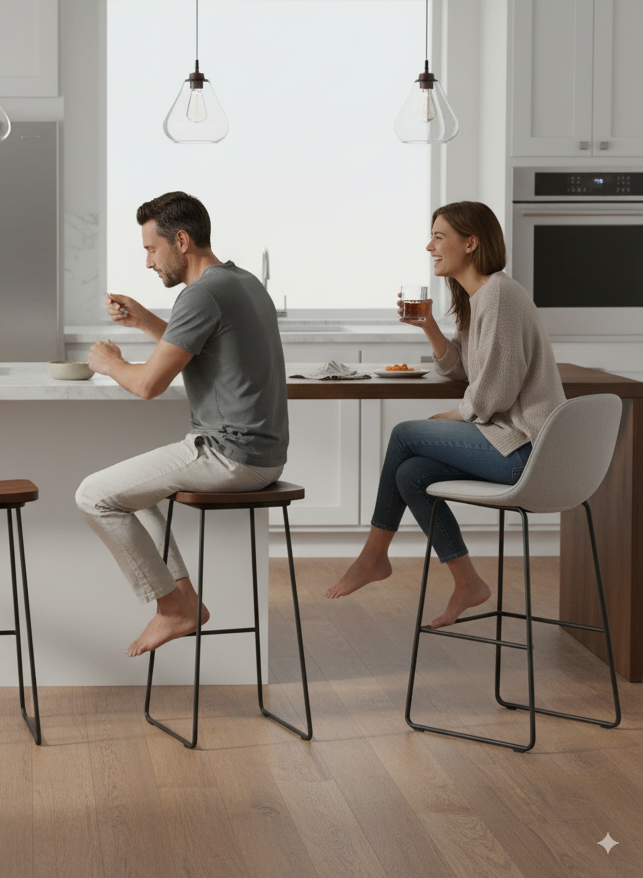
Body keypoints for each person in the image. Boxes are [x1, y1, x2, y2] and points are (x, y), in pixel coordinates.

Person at [324, 201, 565, 628]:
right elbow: (459, 368)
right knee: (411, 473)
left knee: (404, 434)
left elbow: (496, 391)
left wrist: (456, 414)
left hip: (528, 452)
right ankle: (467, 581)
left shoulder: (499, 296)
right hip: (510, 443)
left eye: (439, 236)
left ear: (471, 243)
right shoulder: (479, 299)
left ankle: (372, 557)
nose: (429, 245)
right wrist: (430, 327)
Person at [76, 191, 289, 657]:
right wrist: (144, 320)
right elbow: (202, 346)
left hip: (228, 455)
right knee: (133, 494)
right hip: (263, 456)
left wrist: (109, 362)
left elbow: (149, 384)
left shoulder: (201, 294)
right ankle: (182, 602)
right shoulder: (241, 281)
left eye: (152, 249)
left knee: (93, 495)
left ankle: (174, 607)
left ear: (182, 240)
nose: (150, 263)